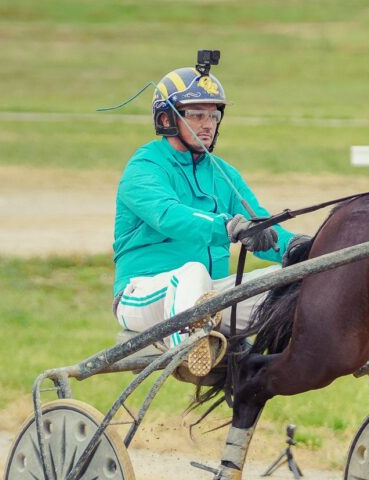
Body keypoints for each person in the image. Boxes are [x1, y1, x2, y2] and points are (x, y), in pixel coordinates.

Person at [111, 58, 306, 380]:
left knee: (295, 278)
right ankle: (190, 352)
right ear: (166, 118)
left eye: (213, 115)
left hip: (211, 302)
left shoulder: (224, 173)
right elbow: (169, 216)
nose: (207, 124)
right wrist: (228, 228)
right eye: (196, 115)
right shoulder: (144, 167)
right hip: (143, 297)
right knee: (191, 273)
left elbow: (265, 230)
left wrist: (304, 248)